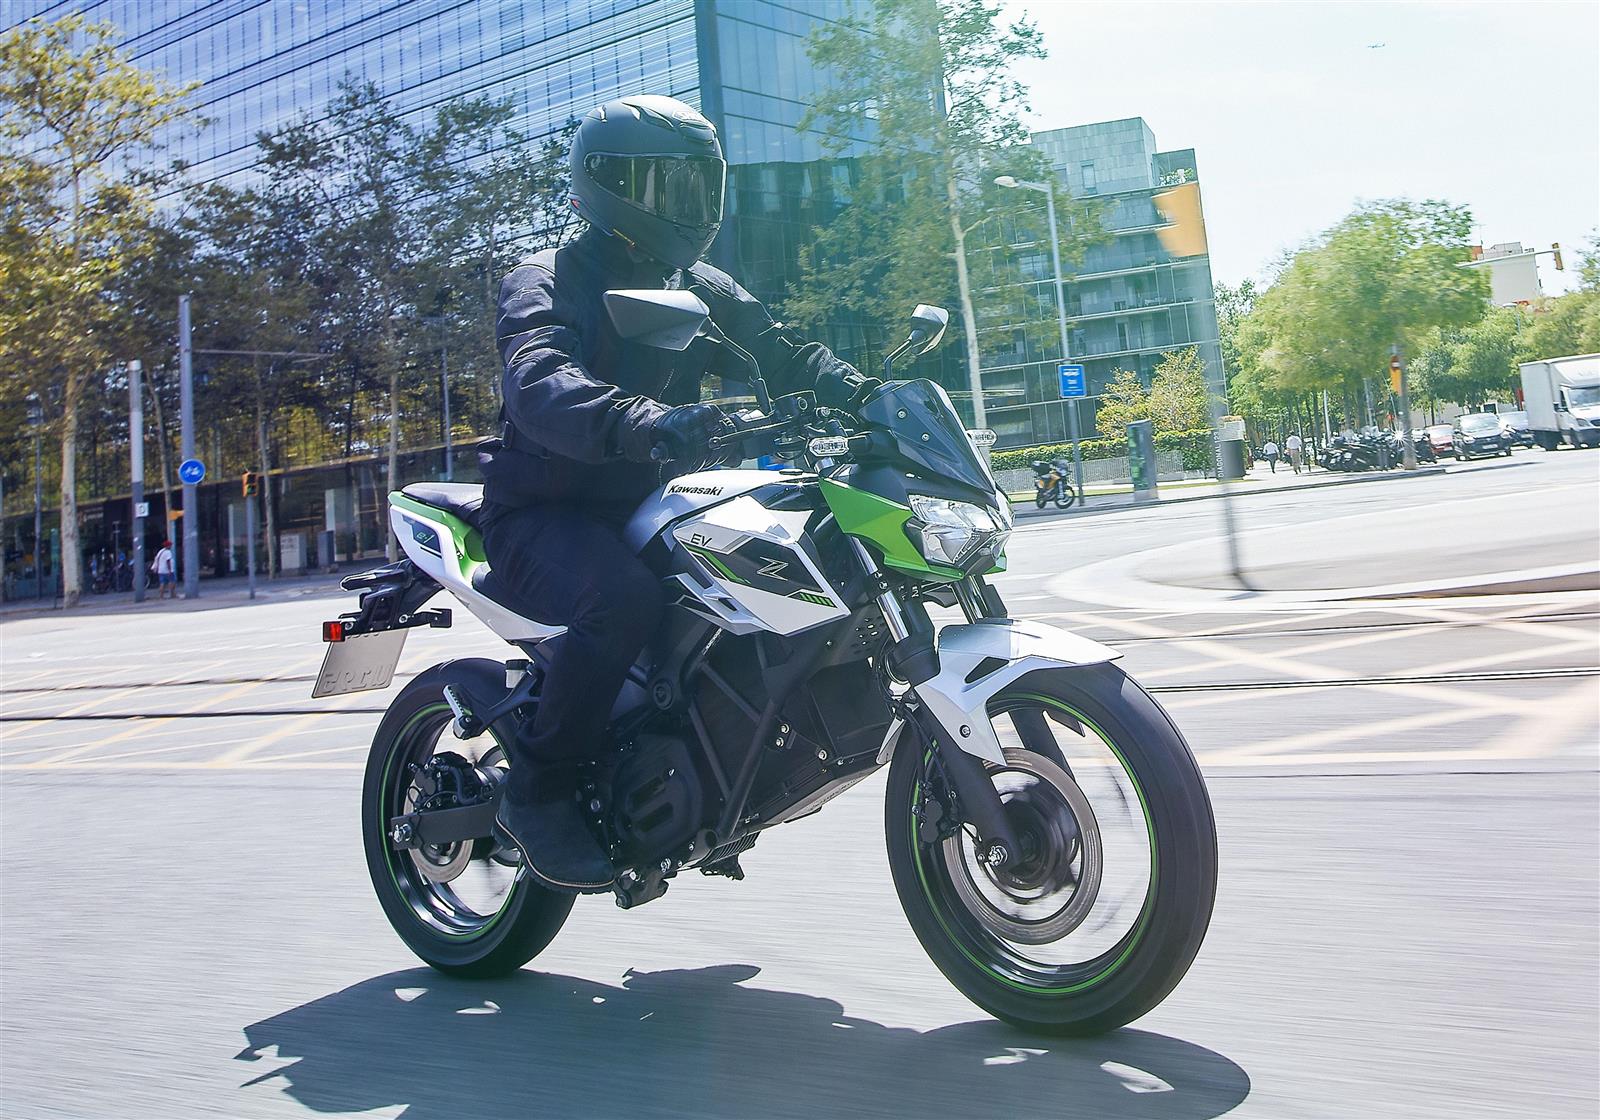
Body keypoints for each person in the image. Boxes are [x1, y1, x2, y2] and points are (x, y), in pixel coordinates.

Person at [481, 95, 876, 891]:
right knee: (621, 600)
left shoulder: (702, 285)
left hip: (654, 502)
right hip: (546, 512)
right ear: (610, 184)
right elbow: (539, 380)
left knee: (794, 569)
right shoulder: (548, 279)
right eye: (670, 187)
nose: (691, 207)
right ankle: (538, 789)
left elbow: (783, 354)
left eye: (701, 186)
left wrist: (868, 393)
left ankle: (724, 768)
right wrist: (645, 421)